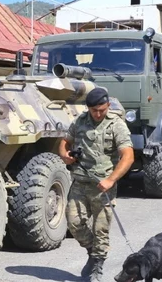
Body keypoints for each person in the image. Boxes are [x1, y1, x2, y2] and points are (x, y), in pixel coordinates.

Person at [59, 87, 134, 282]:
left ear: (108, 105)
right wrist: (65, 156)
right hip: (80, 181)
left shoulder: (116, 125)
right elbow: (65, 142)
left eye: (102, 109)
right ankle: (94, 253)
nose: (98, 114)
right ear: (88, 108)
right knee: (74, 223)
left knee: (101, 229)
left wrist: (111, 180)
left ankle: (97, 267)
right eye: (94, 110)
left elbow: (128, 156)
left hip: (103, 186)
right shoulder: (80, 122)